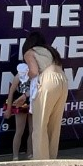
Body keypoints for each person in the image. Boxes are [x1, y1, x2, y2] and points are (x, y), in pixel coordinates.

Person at [23, 30, 67, 159]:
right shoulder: (51, 51)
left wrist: (26, 77)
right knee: (55, 124)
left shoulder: (29, 52)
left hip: (47, 80)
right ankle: (52, 158)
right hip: (62, 80)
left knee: (40, 124)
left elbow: (34, 72)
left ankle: (41, 161)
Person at [3, 58, 31, 161]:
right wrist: (9, 109)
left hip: (32, 103)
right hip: (20, 105)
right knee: (20, 130)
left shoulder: (34, 75)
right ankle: (15, 156)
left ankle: (30, 154)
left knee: (33, 131)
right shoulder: (18, 76)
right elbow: (11, 92)